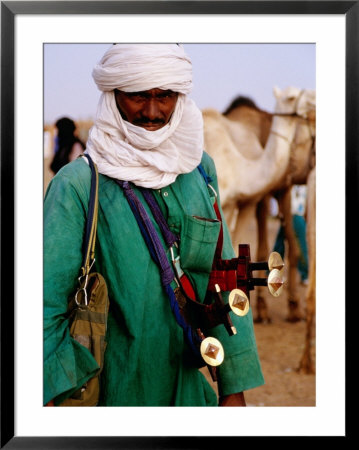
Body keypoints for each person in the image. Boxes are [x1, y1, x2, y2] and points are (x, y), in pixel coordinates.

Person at [43, 44, 264, 407]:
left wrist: (233, 387)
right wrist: (47, 395)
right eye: (137, 96)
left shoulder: (198, 170)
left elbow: (221, 278)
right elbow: (44, 304)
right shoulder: (77, 185)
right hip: (110, 393)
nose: (152, 111)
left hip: (189, 394)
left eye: (165, 96)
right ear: (114, 95)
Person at [272, 186, 309, 284]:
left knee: (282, 245)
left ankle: (273, 272)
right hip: (291, 216)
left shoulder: (304, 185)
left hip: (295, 216)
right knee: (298, 246)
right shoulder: (290, 184)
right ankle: (304, 275)